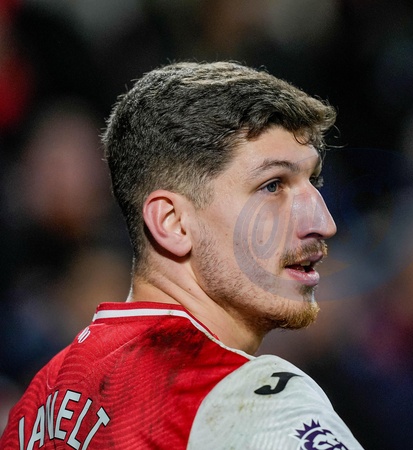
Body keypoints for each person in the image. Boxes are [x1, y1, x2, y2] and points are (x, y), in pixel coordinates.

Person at [0, 61, 363, 449]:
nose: (323, 222)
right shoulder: (249, 401)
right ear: (172, 223)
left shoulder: (37, 405)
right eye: (272, 186)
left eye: (313, 181)